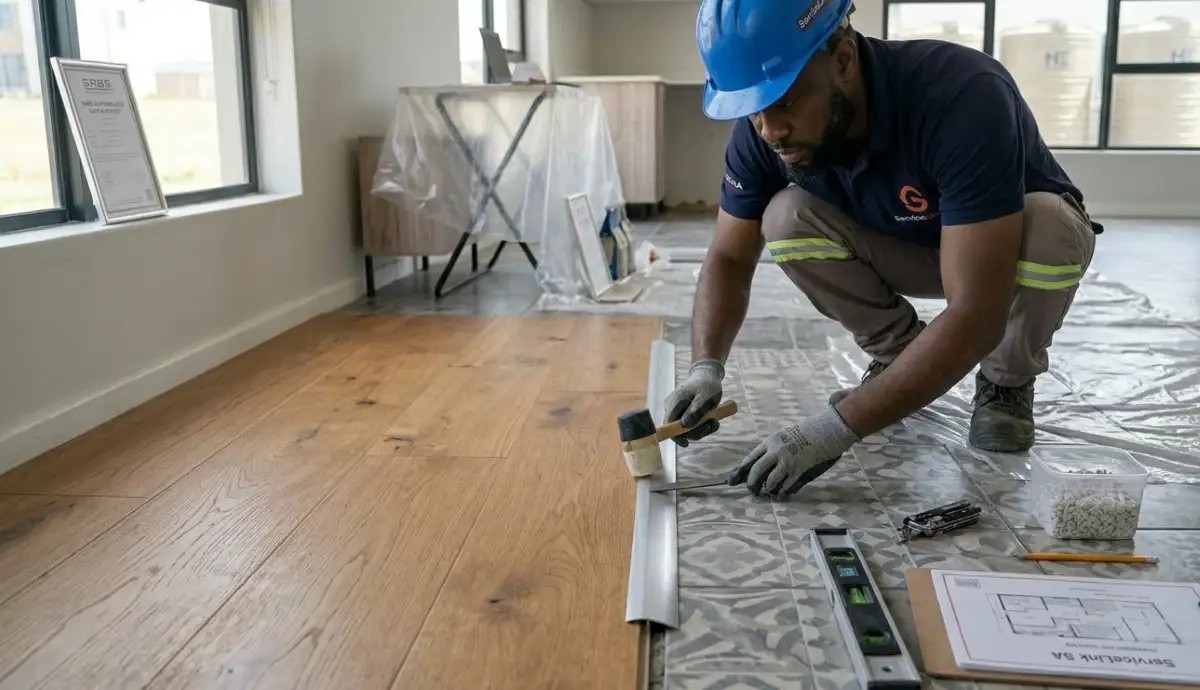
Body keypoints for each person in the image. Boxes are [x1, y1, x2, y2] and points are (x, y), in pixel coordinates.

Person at [663, 0, 1101, 498]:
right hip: (905, 245)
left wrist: (836, 428)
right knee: (784, 217)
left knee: (1049, 226)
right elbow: (729, 256)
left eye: (783, 101)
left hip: (1000, 253)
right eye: (752, 110)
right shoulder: (765, 131)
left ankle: (1006, 382)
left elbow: (977, 312)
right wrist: (705, 367)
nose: (769, 130)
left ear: (844, 61)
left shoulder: (963, 94)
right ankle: (898, 358)